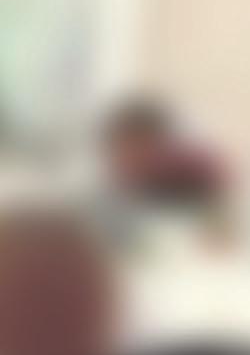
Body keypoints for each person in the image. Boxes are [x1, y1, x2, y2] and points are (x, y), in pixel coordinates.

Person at [89, 94, 234, 249]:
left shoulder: (195, 172)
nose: (124, 158)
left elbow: (220, 224)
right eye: (118, 150)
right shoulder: (110, 190)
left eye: (136, 147)